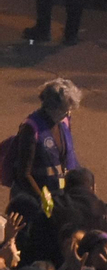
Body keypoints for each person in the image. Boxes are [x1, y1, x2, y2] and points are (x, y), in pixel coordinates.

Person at [8, 77, 83, 207]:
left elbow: (67, 157)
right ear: (50, 107)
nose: (67, 114)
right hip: (34, 198)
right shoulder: (31, 129)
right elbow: (24, 174)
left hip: (58, 193)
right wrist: (42, 200)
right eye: (64, 111)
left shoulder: (63, 121)